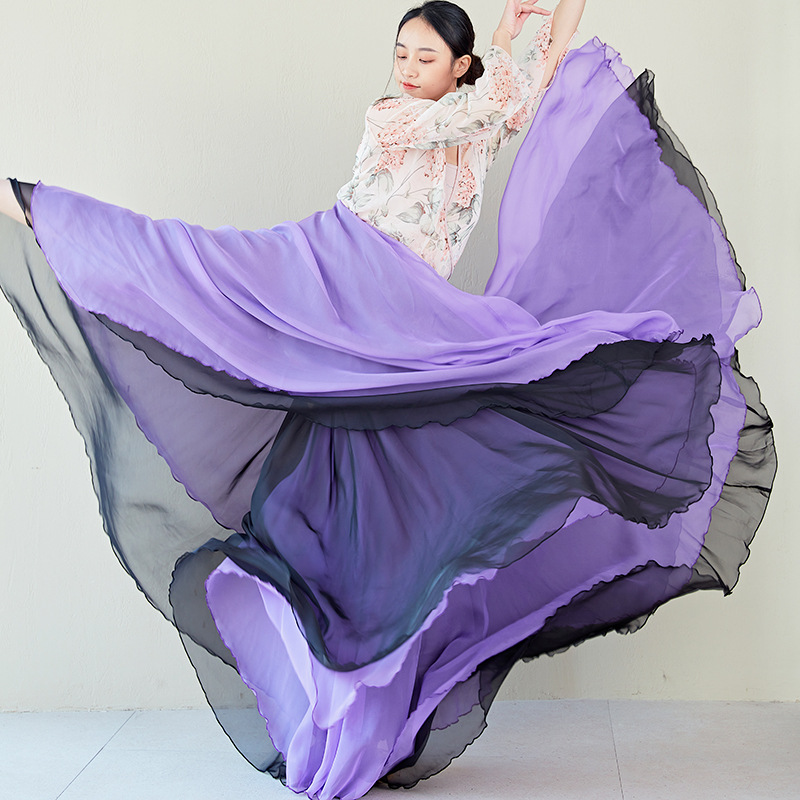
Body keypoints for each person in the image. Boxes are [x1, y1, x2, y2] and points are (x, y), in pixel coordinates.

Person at [0, 2, 776, 800]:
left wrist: (534, 25)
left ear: (458, 67)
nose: (405, 69)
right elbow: (495, 99)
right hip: (338, 273)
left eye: (424, 58)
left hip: (399, 318)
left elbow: (531, 77)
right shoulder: (400, 116)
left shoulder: (478, 116)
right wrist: (505, 44)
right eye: (401, 52)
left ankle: (364, 726)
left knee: (383, 506)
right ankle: (39, 211)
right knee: (193, 266)